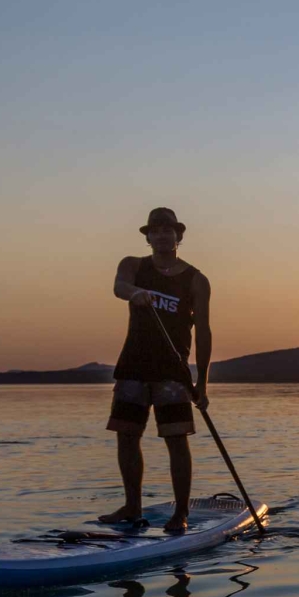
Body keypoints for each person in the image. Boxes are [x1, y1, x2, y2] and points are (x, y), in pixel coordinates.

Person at [103, 207, 212, 534]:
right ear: (148, 236)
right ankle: (132, 506)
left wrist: (202, 382)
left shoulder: (196, 279)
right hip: (133, 366)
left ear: (179, 236)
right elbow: (119, 286)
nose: (163, 235)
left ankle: (180, 513)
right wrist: (136, 293)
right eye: (156, 230)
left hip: (173, 371)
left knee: (176, 440)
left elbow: (204, 332)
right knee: (127, 435)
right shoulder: (133, 266)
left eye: (169, 230)